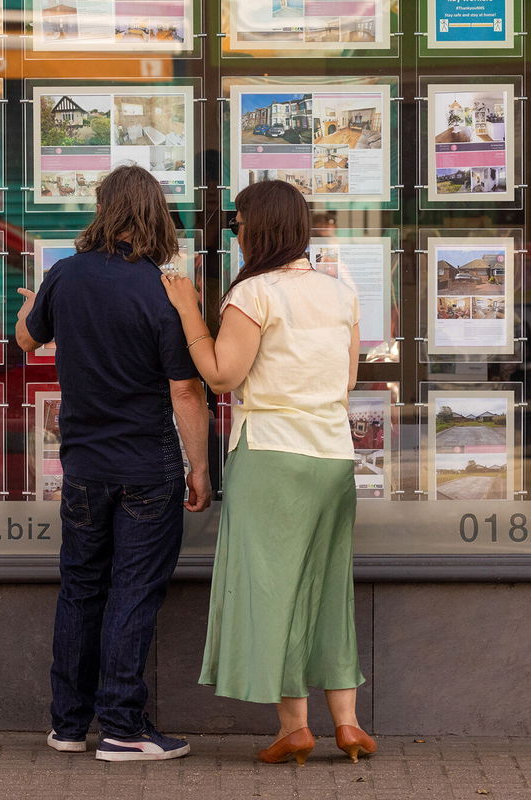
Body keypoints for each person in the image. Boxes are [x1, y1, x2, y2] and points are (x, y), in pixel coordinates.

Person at [159, 180, 375, 766]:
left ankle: (295, 728)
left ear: (258, 229)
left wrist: (186, 310)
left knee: (273, 591)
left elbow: (222, 375)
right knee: (330, 588)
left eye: (237, 226)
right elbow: (349, 380)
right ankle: (349, 724)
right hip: (332, 454)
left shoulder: (254, 293)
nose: (235, 234)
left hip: (272, 452)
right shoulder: (340, 293)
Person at [15, 165, 212, 762]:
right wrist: (198, 468)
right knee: (133, 590)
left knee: (80, 587)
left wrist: (33, 307)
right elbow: (185, 391)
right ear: (155, 216)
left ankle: (69, 725)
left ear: (102, 209)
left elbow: (26, 341)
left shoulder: (66, 274)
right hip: (145, 466)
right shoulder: (162, 290)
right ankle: (124, 727)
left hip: (83, 464)